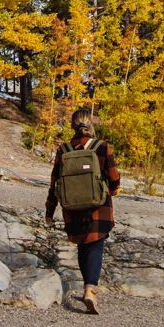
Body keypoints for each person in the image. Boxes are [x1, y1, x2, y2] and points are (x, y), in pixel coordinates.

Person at [45, 107, 120, 315]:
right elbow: (113, 177)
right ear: (91, 124)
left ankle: (87, 286)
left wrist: (49, 211)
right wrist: (112, 191)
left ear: (72, 125)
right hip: (98, 206)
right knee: (96, 244)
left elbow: (54, 183)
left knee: (82, 245)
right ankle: (90, 289)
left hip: (72, 207)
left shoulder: (64, 149)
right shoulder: (102, 147)